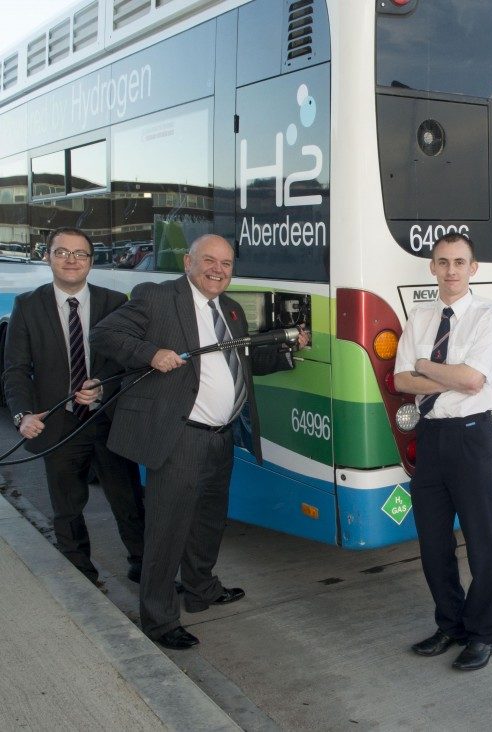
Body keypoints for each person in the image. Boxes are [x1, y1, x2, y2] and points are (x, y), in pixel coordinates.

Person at [91, 234, 308, 650]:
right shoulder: (157, 297)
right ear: (189, 261)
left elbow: (239, 361)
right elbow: (106, 334)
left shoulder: (229, 309)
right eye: (210, 260)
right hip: (180, 438)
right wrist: (151, 353)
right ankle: (158, 619)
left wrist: (286, 350)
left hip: (219, 437)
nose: (218, 270)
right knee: (167, 529)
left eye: (226, 264)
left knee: (209, 521)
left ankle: (201, 588)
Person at [3, 227, 145, 588]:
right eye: (61, 252)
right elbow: (15, 370)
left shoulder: (116, 302)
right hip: (59, 424)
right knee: (67, 508)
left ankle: (144, 567)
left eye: (80, 253)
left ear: (91, 261)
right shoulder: (28, 306)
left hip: (108, 418)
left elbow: (129, 362)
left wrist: (101, 385)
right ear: (47, 257)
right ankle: (80, 574)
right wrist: (23, 414)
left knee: (128, 502)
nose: (71, 260)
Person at [394, 232, 492, 671]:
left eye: (460, 262)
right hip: (433, 437)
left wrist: (424, 365)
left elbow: (475, 382)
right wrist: (450, 376)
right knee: (433, 543)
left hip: (472, 436)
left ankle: (483, 633)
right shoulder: (420, 317)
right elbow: (401, 381)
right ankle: (451, 624)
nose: (451, 270)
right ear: (432, 268)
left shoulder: (488, 315)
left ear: (472, 268)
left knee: (482, 544)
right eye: (443, 262)